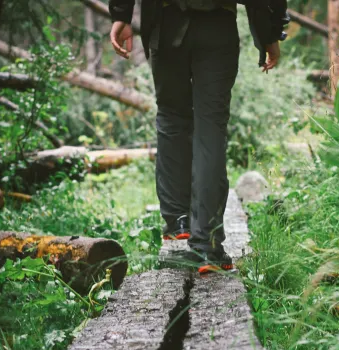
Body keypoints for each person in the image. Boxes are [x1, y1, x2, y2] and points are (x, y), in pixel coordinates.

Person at [108, 0, 288, 273]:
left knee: (171, 116)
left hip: (165, 21)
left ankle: (178, 220)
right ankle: (208, 244)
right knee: (211, 128)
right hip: (217, 24)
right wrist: (269, 32)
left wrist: (121, 14)